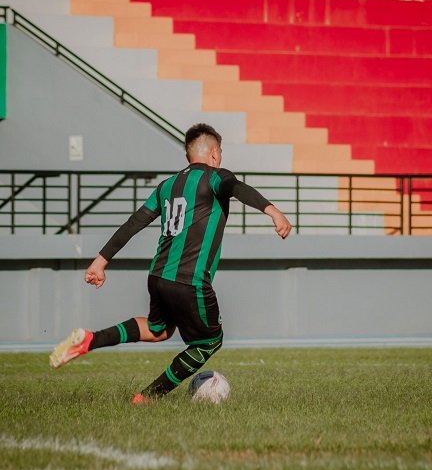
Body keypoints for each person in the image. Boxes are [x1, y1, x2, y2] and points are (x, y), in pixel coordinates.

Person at [49, 123, 292, 403]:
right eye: (220, 152)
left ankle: (90, 339)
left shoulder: (167, 186)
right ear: (213, 154)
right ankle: (148, 397)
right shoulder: (214, 177)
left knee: (158, 329)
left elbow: (135, 222)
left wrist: (100, 261)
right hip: (190, 281)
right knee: (209, 342)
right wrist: (273, 211)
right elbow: (236, 187)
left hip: (158, 277)